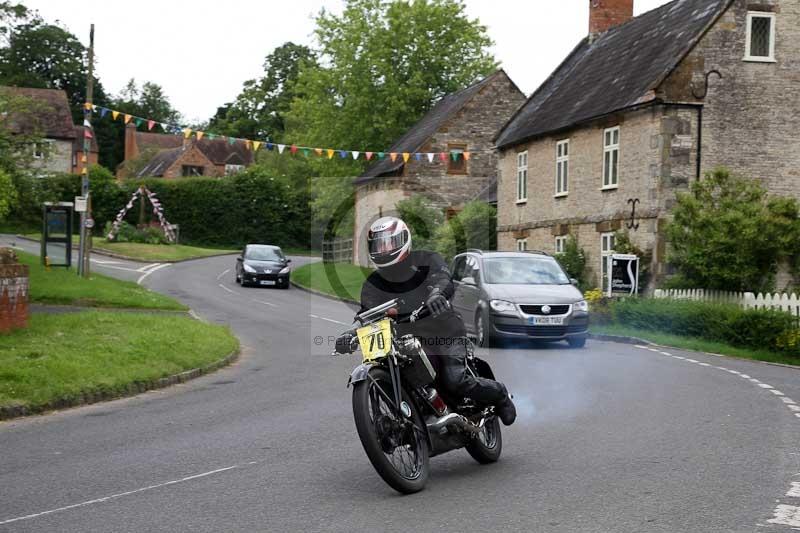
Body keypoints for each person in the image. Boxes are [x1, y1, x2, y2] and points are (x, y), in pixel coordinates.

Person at [340, 216, 516, 426]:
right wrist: (350, 332)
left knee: (455, 380)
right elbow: (366, 313)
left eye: (389, 243)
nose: (384, 249)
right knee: (385, 368)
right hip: (404, 342)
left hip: (443, 332)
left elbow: (443, 279)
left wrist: (437, 296)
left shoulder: (425, 260)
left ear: (404, 239)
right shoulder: (373, 284)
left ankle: (500, 394)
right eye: (379, 244)